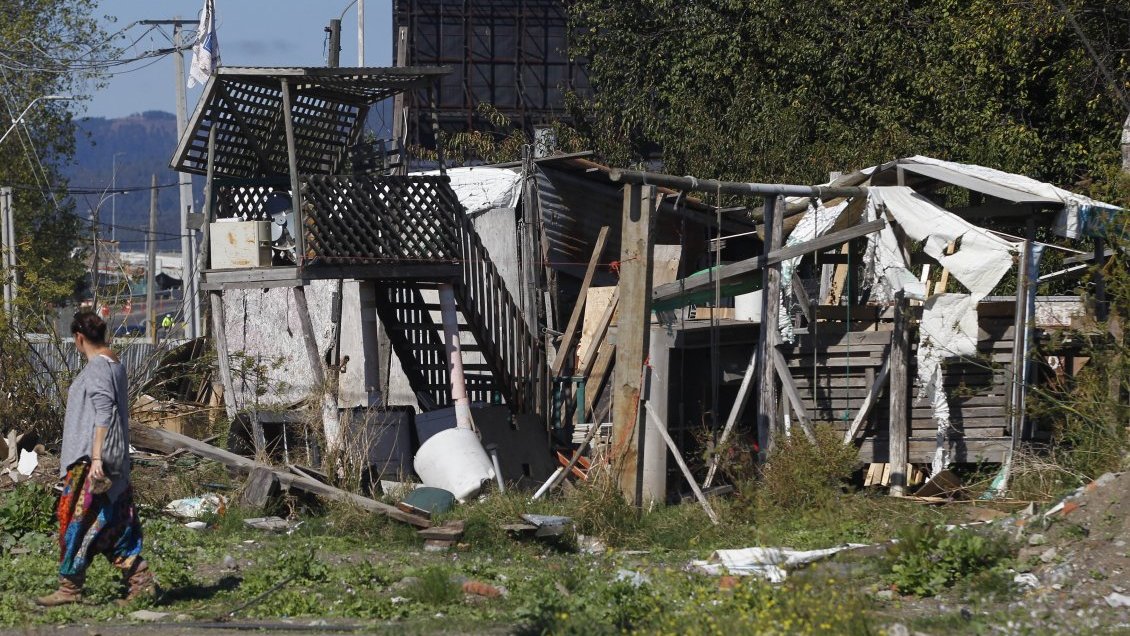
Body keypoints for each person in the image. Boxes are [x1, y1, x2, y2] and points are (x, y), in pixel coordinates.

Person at [37, 311, 155, 606]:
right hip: (102, 463)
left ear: (79, 338)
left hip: (90, 464)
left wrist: (97, 458)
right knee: (112, 523)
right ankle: (139, 582)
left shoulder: (98, 368)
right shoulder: (114, 363)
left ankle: (71, 589)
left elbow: (104, 414)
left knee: (74, 523)